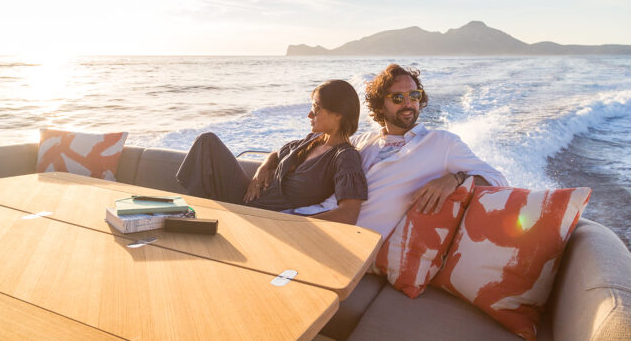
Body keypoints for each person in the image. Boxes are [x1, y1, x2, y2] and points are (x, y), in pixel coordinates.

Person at [290, 64, 509, 239]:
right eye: (397, 98)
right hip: (311, 221)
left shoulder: (443, 143)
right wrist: (270, 163)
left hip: (352, 243)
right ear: (379, 104)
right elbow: (307, 149)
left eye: (414, 95)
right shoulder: (361, 142)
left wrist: (456, 179)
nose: (408, 103)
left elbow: (499, 181)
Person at [175, 79, 368, 221]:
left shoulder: (345, 156)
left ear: (338, 114)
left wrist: (293, 224)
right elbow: (277, 153)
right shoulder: (313, 140)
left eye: (316, 108)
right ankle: (195, 214)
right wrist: (262, 169)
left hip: (264, 217)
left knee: (206, 145)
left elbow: (349, 213)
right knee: (207, 141)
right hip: (248, 198)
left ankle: (195, 219)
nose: (310, 114)